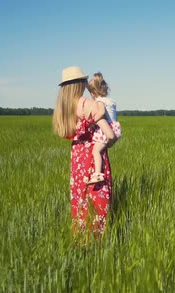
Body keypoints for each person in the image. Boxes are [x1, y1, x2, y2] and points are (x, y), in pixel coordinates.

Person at [52, 66, 115, 238]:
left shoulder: (63, 109)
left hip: (77, 157)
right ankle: (98, 244)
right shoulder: (88, 104)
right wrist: (110, 140)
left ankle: (81, 241)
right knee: (97, 199)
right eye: (84, 81)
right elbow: (109, 134)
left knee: (80, 199)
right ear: (80, 83)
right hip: (92, 157)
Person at [86, 73, 122, 184]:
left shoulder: (99, 101)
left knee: (96, 151)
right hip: (115, 128)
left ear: (93, 93)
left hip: (107, 130)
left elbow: (101, 112)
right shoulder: (111, 101)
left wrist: (91, 122)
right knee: (102, 150)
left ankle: (97, 174)